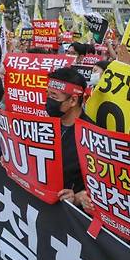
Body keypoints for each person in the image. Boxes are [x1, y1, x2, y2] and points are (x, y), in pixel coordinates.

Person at [45, 67, 91, 205]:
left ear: (73, 100)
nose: (48, 101)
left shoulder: (91, 136)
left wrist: (77, 197)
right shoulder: (46, 125)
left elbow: (101, 185)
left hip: (68, 215)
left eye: (54, 96)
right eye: (48, 94)